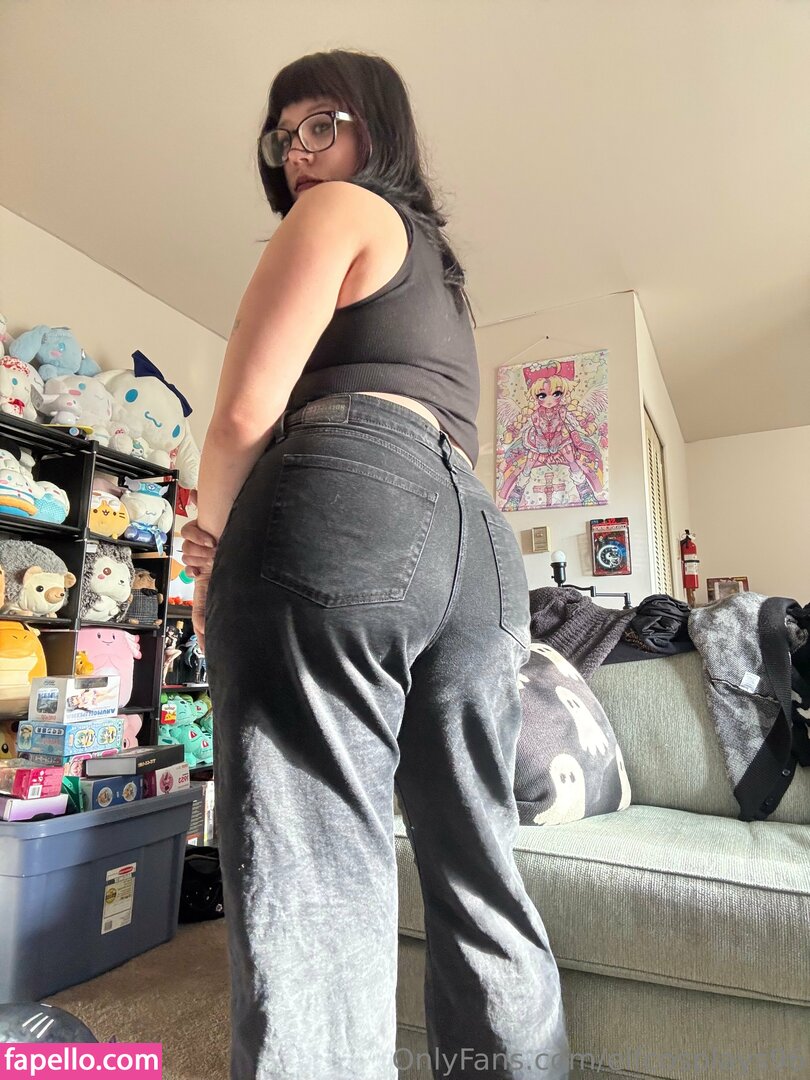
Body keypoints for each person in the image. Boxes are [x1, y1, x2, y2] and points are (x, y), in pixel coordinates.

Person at [180, 48, 570, 1080]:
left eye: (322, 124)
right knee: (478, 866)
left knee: (314, 863)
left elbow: (241, 413)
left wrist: (209, 555)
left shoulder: (339, 211)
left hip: (347, 498)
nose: (297, 155)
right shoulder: (443, 278)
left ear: (377, 127)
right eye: (282, 137)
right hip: (478, 548)